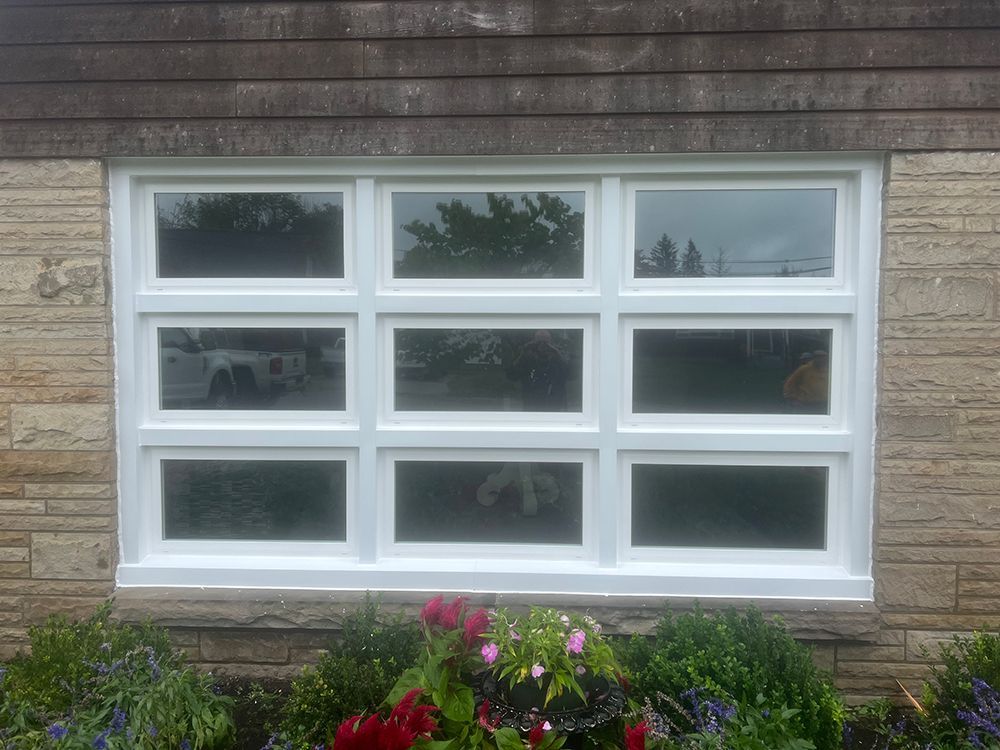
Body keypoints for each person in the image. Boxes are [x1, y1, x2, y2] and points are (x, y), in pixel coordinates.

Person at [508, 330, 569, 410]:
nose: (542, 346)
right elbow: (512, 375)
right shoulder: (528, 358)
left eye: (546, 343)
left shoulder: (556, 359)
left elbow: (569, 374)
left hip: (553, 403)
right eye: (539, 342)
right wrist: (523, 353)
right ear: (534, 342)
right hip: (531, 402)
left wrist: (557, 354)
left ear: (551, 343)